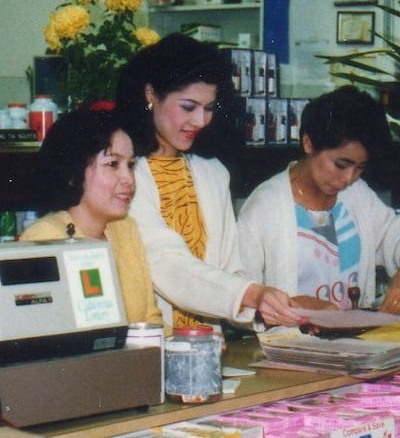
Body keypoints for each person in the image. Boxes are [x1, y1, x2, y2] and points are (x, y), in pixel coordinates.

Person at [118, 32, 297, 328]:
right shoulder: (126, 173)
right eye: (188, 107)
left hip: (207, 346)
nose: (201, 121)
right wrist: (251, 294)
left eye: (209, 108)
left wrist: (265, 305)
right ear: (151, 94)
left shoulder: (213, 173)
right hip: (145, 346)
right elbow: (165, 264)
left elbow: (231, 268)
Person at [238, 85, 400, 313]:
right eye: (341, 165)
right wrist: (295, 305)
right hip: (292, 343)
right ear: (308, 144)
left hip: (356, 342)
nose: (348, 178)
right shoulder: (265, 207)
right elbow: (240, 296)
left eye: (360, 168)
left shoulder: (357, 196)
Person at [20, 108, 161, 325]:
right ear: (74, 170)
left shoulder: (125, 228)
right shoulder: (44, 238)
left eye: (130, 165)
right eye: (113, 164)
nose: (128, 179)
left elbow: (150, 319)